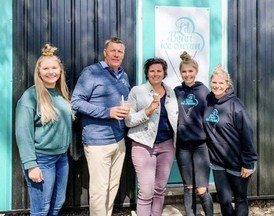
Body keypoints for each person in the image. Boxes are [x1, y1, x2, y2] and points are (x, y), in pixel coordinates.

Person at [71, 37, 130, 216]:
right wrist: (107, 112)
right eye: (113, 50)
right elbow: (76, 102)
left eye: (120, 51)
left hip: (119, 140)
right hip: (97, 141)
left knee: (113, 186)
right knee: (99, 189)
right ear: (105, 52)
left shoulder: (124, 75)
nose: (116, 54)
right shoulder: (91, 72)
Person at [15, 44, 72, 215]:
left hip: (61, 157)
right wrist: (31, 165)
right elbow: (22, 133)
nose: (51, 72)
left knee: (57, 204)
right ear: (38, 72)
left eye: (54, 67)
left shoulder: (61, 94)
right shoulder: (30, 97)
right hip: (41, 159)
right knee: (41, 208)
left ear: (60, 71)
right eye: (46, 68)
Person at [125, 57, 178, 216]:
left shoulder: (171, 92)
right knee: (146, 191)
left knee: (160, 189)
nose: (155, 74)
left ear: (164, 73)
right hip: (143, 145)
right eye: (152, 71)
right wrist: (147, 111)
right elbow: (128, 121)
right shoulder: (137, 91)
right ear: (147, 73)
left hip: (167, 145)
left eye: (159, 71)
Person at [204, 65, 258, 216]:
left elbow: (247, 134)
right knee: (224, 200)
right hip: (218, 162)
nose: (217, 86)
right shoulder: (208, 100)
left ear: (227, 84)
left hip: (238, 162)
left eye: (221, 83)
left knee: (240, 199)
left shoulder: (236, 105)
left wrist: (248, 162)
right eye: (214, 82)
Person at [174, 51, 213, 216]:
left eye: (190, 71)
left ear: (196, 72)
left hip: (200, 146)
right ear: (180, 73)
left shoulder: (204, 90)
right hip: (183, 146)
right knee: (188, 187)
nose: (187, 74)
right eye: (184, 71)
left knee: (202, 188)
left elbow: (212, 116)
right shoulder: (176, 91)